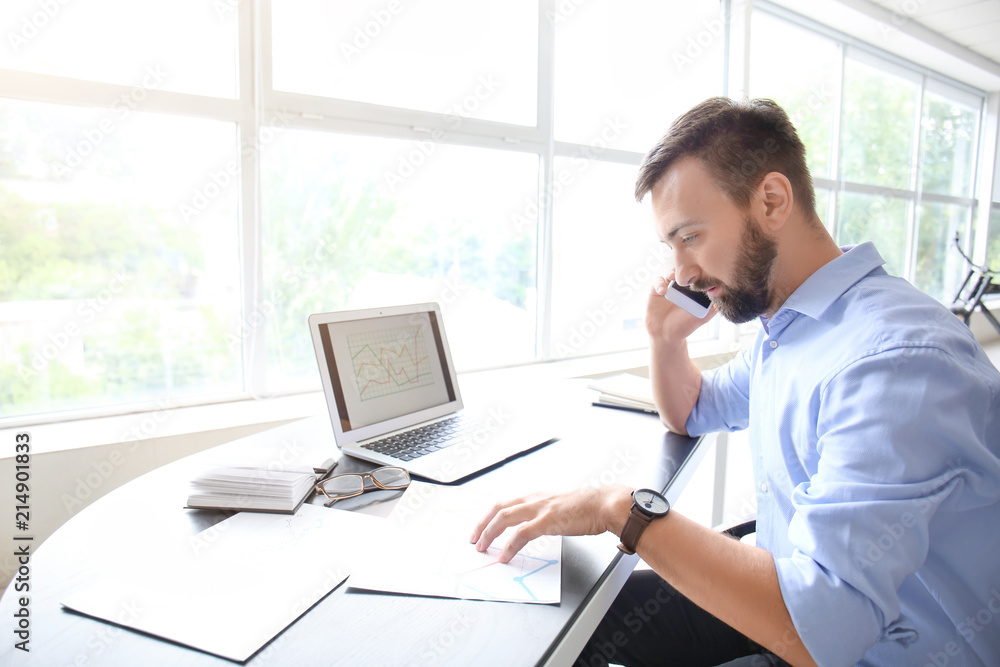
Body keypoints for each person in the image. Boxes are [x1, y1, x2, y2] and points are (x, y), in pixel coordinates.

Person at [470, 97, 1000, 666]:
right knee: (572, 610)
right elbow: (694, 409)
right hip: (790, 603)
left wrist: (619, 508)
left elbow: (822, 631)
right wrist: (666, 340)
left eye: (691, 236)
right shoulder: (792, 327)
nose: (681, 274)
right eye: (671, 247)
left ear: (772, 200)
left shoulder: (893, 361)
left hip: (855, 647)